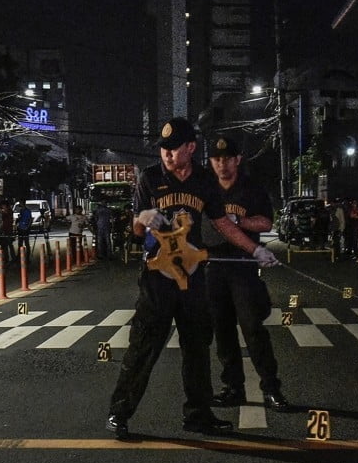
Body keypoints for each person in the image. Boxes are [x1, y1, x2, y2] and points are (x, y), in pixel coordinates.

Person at [105, 117, 278, 440]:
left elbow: (223, 224)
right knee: (144, 345)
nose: (168, 156)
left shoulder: (204, 181)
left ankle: (198, 415)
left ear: (191, 148)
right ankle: (119, 412)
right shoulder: (150, 178)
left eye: (174, 150)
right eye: (164, 150)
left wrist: (255, 251)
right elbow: (137, 229)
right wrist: (143, 217)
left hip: (194, 278)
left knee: (197, 348)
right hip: (158, 277)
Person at [203, 134, 290, 412]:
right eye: (217, 159)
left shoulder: (250, 188)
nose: (222, 164)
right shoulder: (205, 189)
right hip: (213, 266)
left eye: (227, 158)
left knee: (253, 328)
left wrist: (238, 220)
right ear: (211, 161)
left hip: (243, 267)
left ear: (238, 159)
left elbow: (266, 222)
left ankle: (271, 388)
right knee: (222, 330)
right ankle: (233, 388)